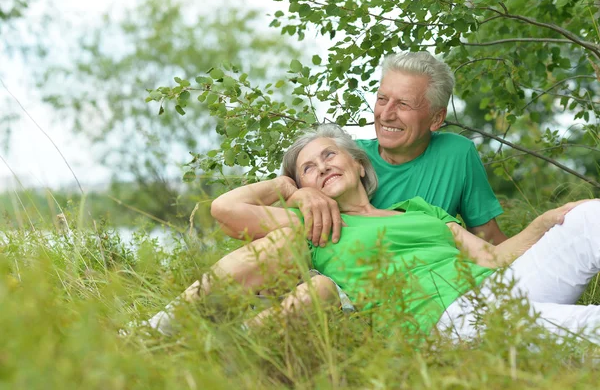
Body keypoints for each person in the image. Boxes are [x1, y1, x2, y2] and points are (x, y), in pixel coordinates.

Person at [145, 124, 600, 344]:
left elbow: (495, 259)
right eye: (309, 168)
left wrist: (546, 220)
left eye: (329, 156)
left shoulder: (420, 211)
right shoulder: (314, 226)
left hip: (497, 289)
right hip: (448, 320)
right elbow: (225, 209)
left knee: (587, 218)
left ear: (359, 164)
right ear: (304, 185)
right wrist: (285, 188)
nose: (322, 167)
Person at [287, 52, 507, 248]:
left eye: (403, 104)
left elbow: (488, 239)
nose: (386, 114)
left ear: (436, 118)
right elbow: (272, 207)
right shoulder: (346, 160)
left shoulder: (457, 154)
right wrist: (300, 195)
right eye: (382, 99)